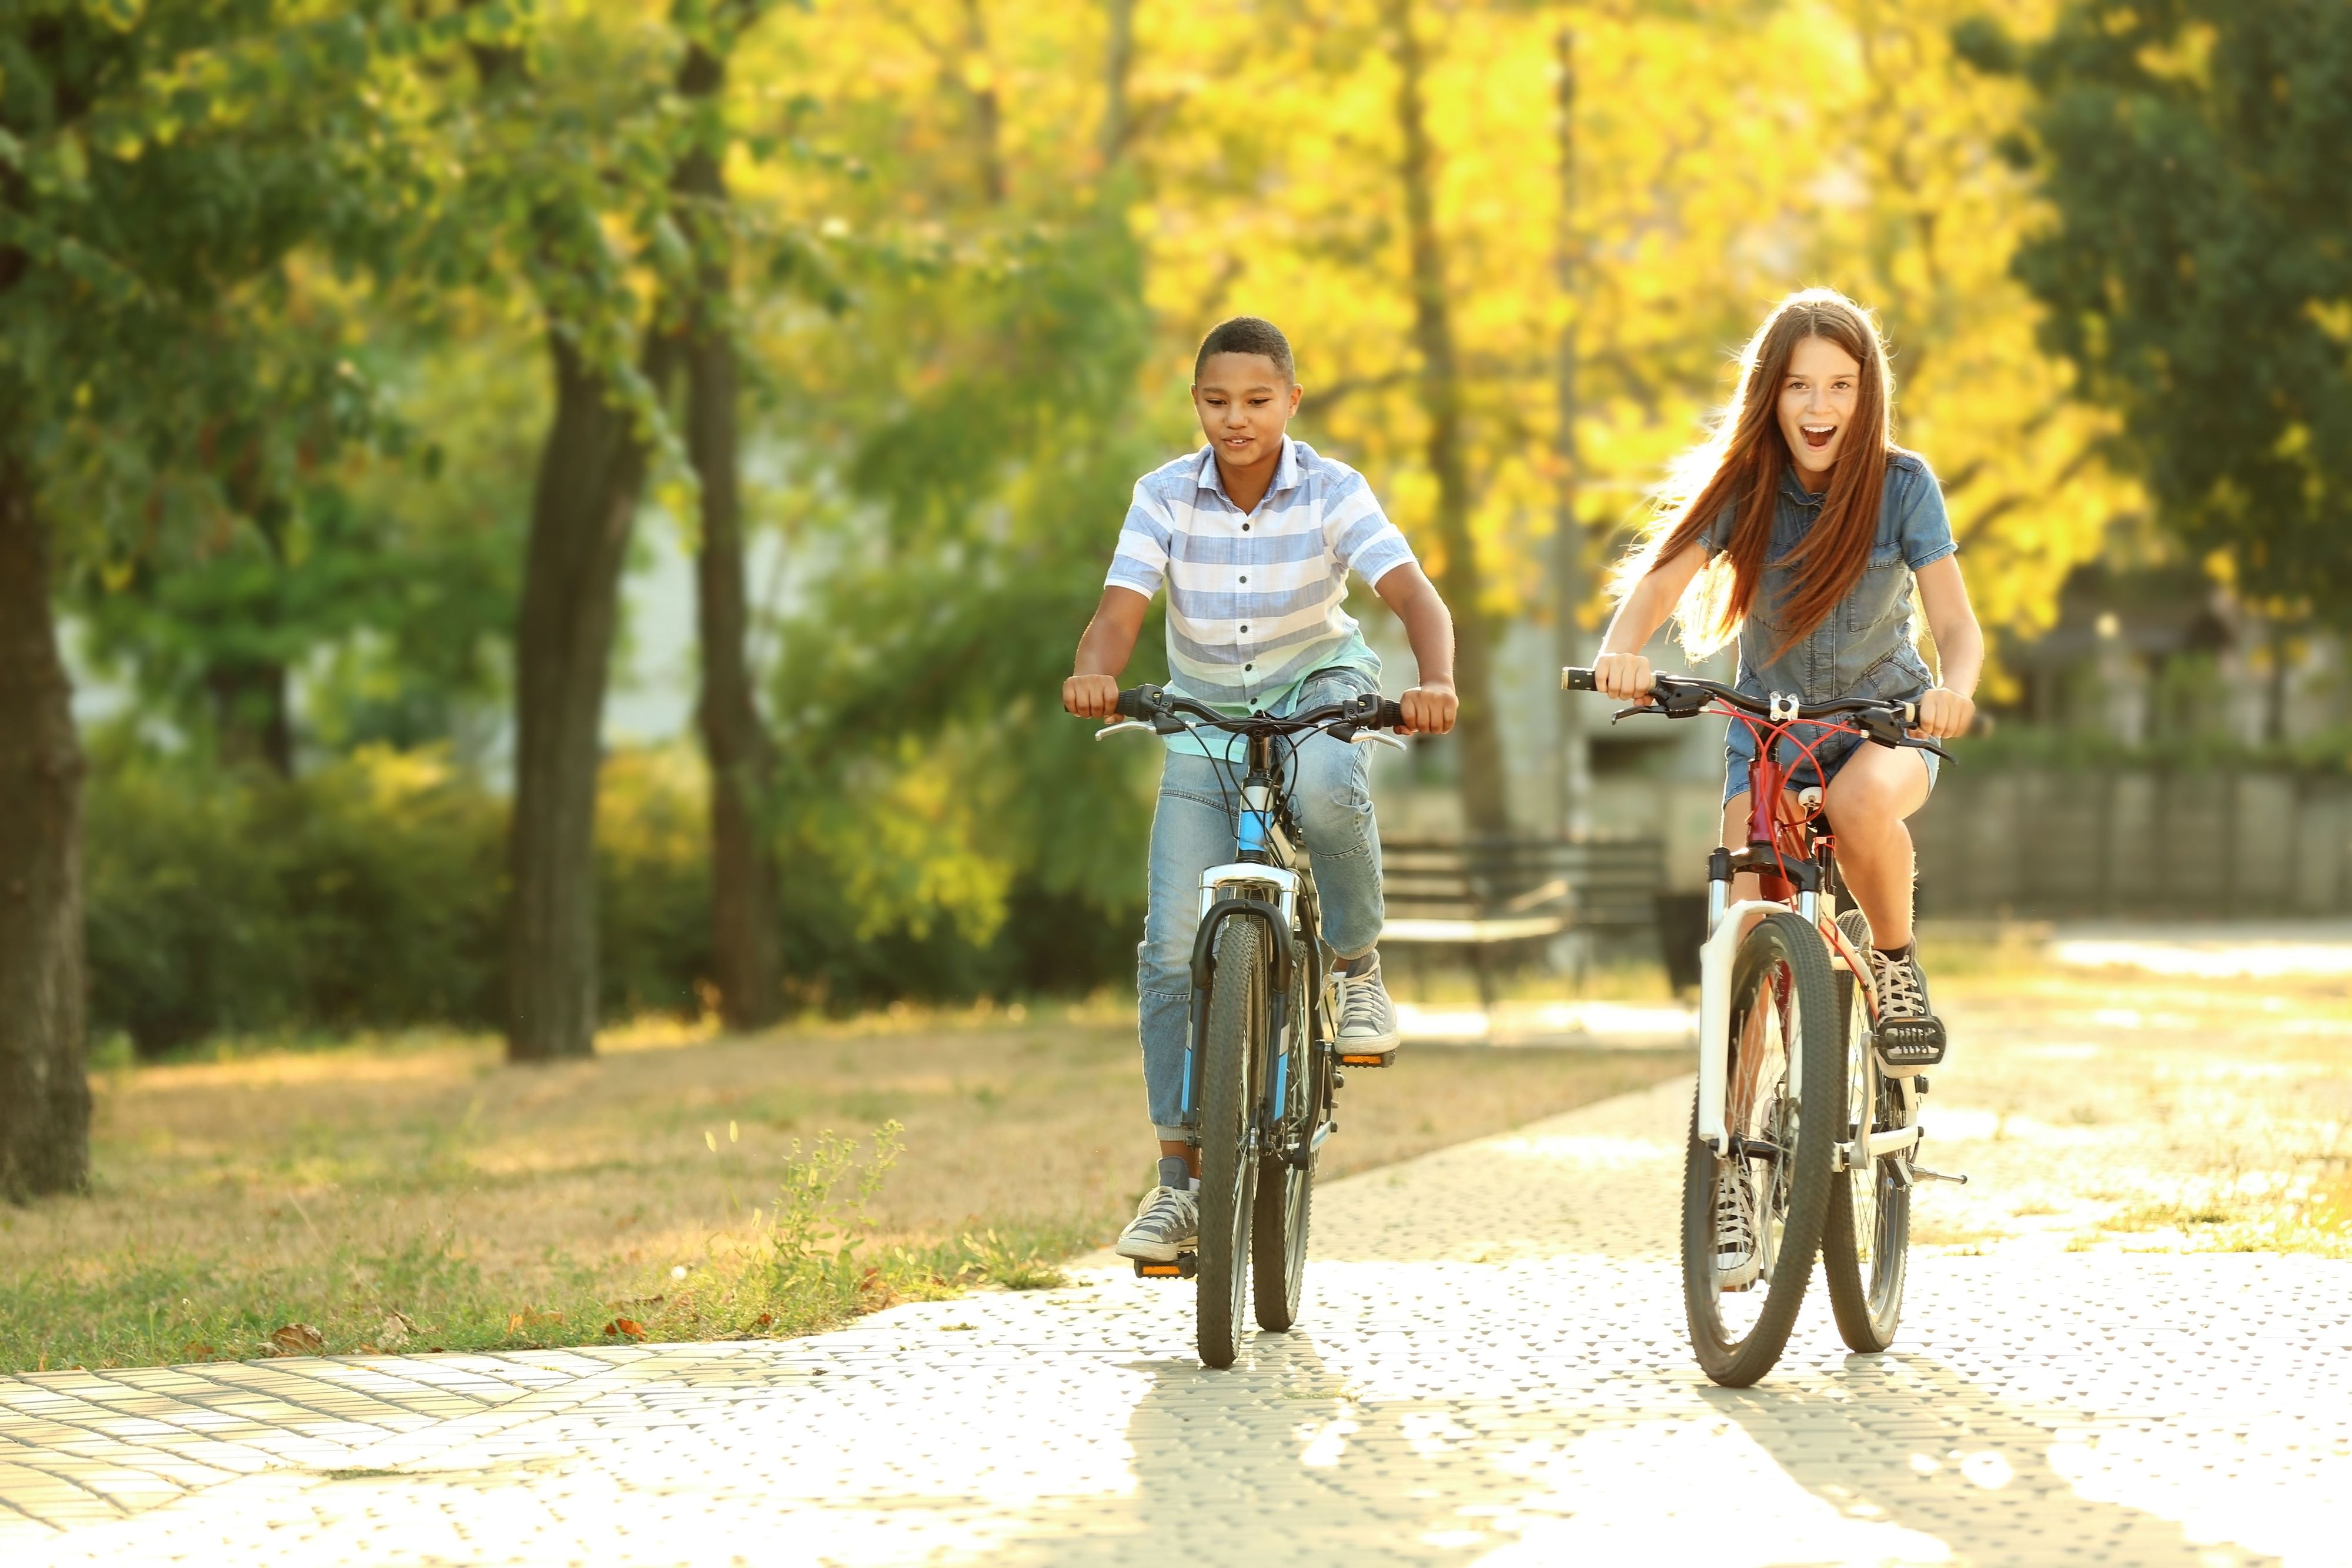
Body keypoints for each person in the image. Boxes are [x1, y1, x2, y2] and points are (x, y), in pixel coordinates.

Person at [1590, 288, 1984, 1280]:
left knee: (1858, 808)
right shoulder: (1745, 487)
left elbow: (1956, 624)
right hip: (1767, 734)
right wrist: (1619, 653)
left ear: (1866, 394)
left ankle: (1893, 962)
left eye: (1841, 386)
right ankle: (1727, 1167)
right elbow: (1660, 582)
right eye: (1800, 385)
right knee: (1747, 923)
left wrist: (1956, 690)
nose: (1820, 406)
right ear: (1770, 394)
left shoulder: (1903, 486)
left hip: (1885, 724)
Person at [1063, 316, 1461, 1264]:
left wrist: (1436, 681)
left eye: (1255, 400)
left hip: (1317, 689)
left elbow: (1416, 596)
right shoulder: (1163, 496)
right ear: (1195, 404)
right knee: (1170, 949)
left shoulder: (1333, 490)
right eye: (1216, 401)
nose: (1235, 419)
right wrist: (1093, 672)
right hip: (1205, 716)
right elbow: (1120, 609)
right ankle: (1178, 1186)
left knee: (1327, 788)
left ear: (1291, 401)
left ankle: (1357, 969)